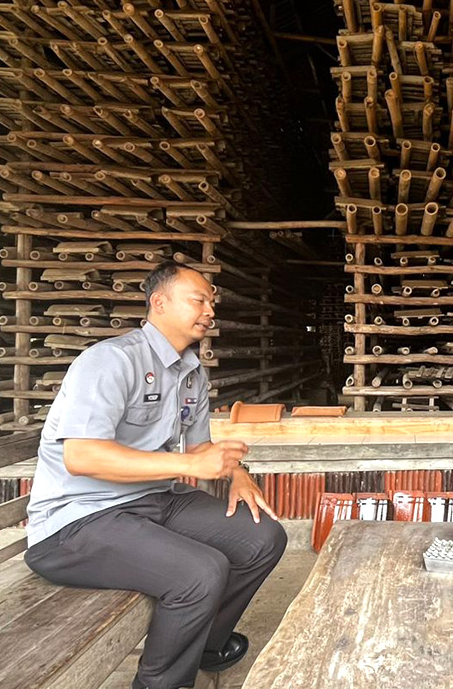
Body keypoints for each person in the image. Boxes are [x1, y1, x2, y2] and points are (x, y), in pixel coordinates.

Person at [23, 261, 287, 689]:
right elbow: (82, 457)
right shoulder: (110, 360)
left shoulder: (192, 373)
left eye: (212, 303)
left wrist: (236, 472)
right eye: (198, 300)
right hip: (77, 521)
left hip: (151, 501)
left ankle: (206, 644)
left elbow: (199, 449)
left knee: (263, 537)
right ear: (159, 303)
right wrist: (186, 466)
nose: (210, 311)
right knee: (200, 572)